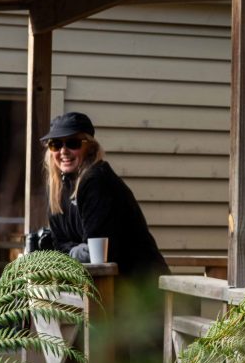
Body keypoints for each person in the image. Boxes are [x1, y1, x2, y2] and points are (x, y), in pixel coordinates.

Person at [43, 111, 169, 291]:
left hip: (140, 295)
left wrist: (70, 251)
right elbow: (58, 245)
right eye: (55, 144)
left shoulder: (97, 181)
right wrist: (77, 249)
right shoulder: (56, 188)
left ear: (90, 147)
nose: (63, 151)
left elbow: (97, 253)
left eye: (73, 143)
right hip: (102, 291)